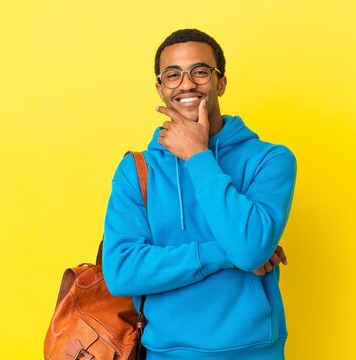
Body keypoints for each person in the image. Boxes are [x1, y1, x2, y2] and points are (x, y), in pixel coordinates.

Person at [102, 29, 297, 360]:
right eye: (173, 75)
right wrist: (225, 252)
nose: (187, 84)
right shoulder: (137, 171)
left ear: (220, 83)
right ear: (161, 89)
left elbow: (250, 251)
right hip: (165, 353)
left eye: (200, 71)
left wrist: (197, 155)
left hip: (256, 353)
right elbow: (122, 273)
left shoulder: (271, 159)